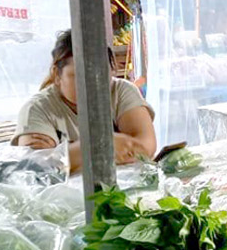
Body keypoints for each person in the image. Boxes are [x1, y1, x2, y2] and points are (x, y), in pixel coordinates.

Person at [12, 30, 157, 172]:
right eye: (80, 77)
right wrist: (94, 147)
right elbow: (37, 168)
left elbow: (145, 148)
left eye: (102, 75)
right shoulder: (37, 108)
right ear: (57, 74)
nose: (94, 85)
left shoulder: (121, 91)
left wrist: (68, 157)